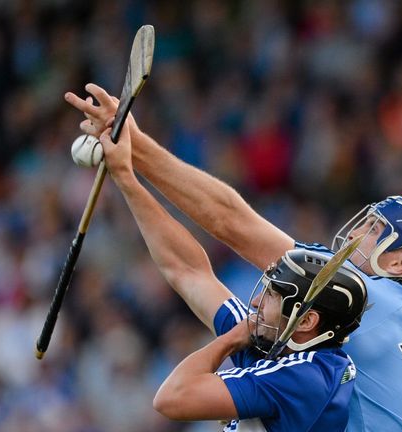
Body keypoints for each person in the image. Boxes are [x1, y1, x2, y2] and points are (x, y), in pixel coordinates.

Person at [66, 83, 402, 431]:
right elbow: (189, 271)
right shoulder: (321, 333)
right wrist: (126, 176)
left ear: (399, 264)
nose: (356, 232)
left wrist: (137, 147)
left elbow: (231, 222)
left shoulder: (368, 299)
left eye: (375, 231)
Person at [97, 123, 369, 431]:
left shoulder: (304, 378)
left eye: (272, 296)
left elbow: (172, 397)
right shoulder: (281, 344)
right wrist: (126, 178)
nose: (255, 301)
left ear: (306, 321)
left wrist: (228, 341)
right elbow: (188, 271)